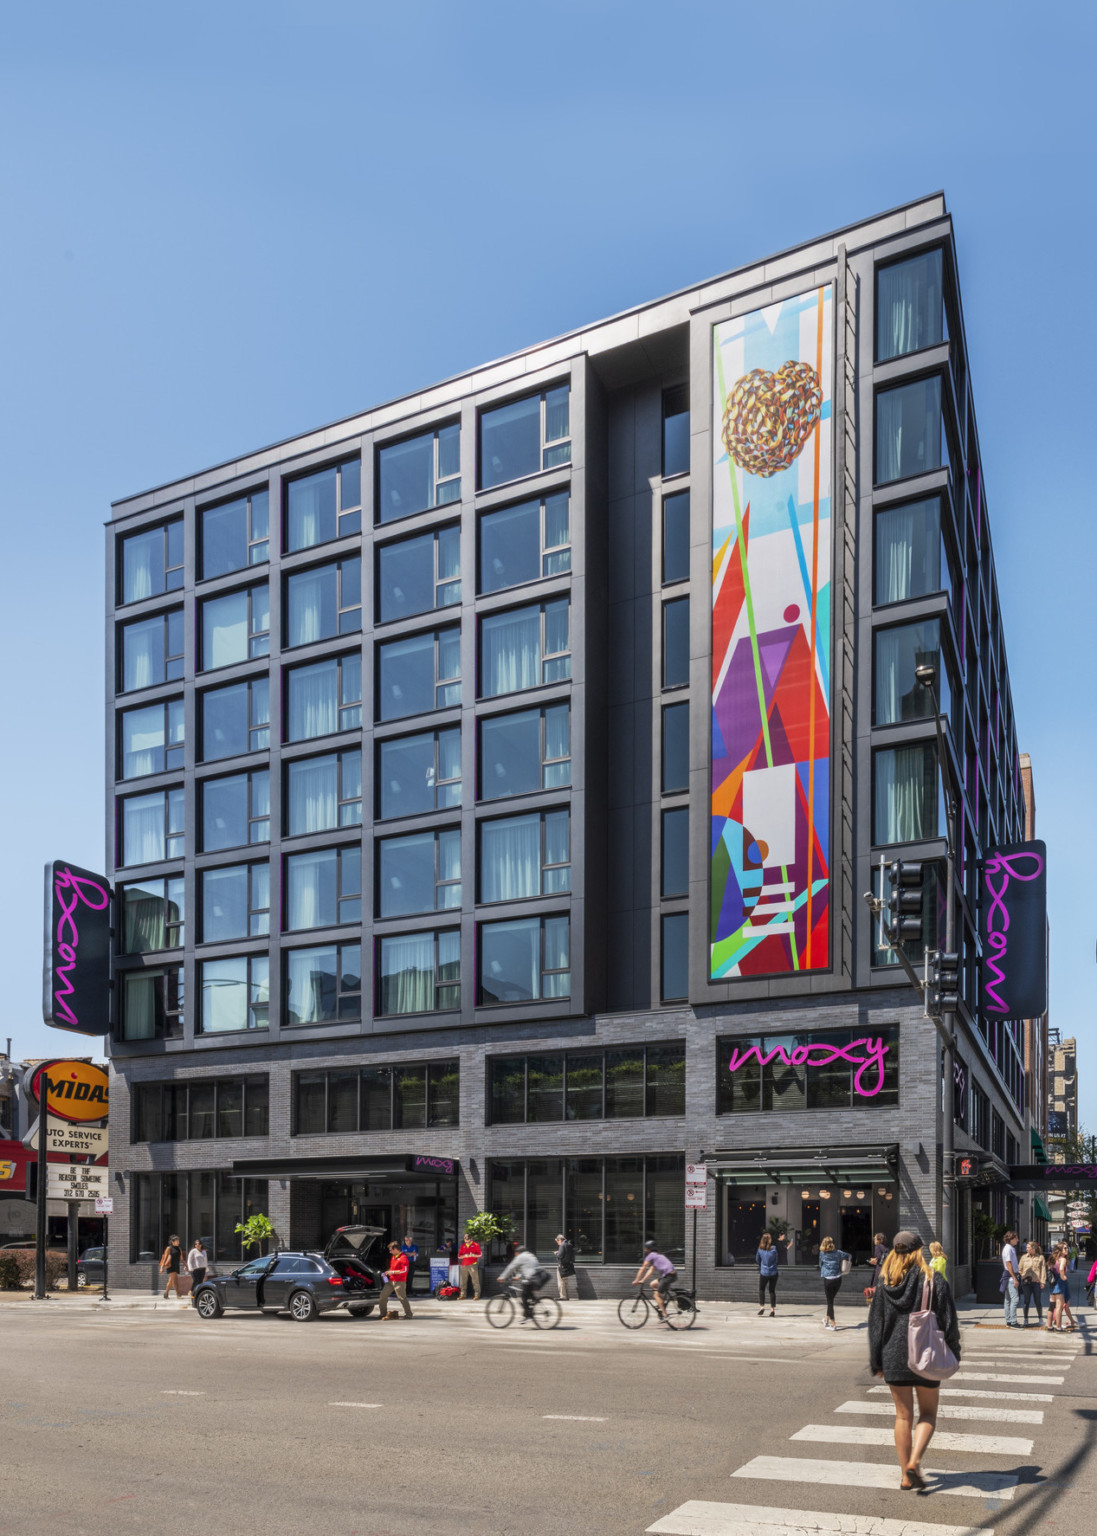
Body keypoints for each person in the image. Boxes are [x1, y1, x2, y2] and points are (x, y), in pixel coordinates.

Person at [868, 1230, 960, 1491]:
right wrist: (954, 1351)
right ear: (920, 1251)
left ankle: (906, 1476)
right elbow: (949, 1322)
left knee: (902, 1416)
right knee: (928, 1413)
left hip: (893, 1356)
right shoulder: (934, 1281)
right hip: (926, 1355)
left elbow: (876, 1326)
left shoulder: (886, 1284)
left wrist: (876, 1361)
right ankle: (915, 1460)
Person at [497, 1240, 548, 1323]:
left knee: (523, 1296)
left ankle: (528, 1316)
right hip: (538, 1277)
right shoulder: (529, 1255)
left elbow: (511, 1267)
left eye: (515, 1253)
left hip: (532, 1278)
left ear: (518, 1252)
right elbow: (526, 1267)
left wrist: (502, 1277)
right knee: (528, 1293)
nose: (515, 1254)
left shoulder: (521, 1257)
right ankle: (533, 1308)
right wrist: (518, 1276)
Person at [632, 1240, 676, 1327]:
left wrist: (636, 1280)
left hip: (668, 1277)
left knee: (656, 1295)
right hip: (670, 1276)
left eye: (646, 1248)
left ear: (649, 1249)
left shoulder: (651, 1256)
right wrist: (643, 1280)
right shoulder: (657, 1255)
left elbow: (643, 1268)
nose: (644, 1249)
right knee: (652, 1284)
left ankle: (665, 1315)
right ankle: (661, 1304)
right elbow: (650, 1270)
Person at [375, 1241, 413, 1320]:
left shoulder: (403, 1258)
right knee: (382, 1296)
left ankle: (409, 1315)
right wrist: (387, 1272)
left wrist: (392, 1272)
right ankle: (383, 1314)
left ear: (395, 1249)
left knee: (402, 1298)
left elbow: (404, 1270)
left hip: (399, 1281)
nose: (390, 1251)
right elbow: (392, 1268)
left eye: (391, 1250)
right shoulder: (393, 1257)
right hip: (391, 1281)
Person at [818, 1237, 850, 1330]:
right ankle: (826, 1319)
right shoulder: (838, 1252)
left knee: (830, 1302)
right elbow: (848, 1256)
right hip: (838, 1279)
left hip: (828, 1279)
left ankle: (833, 1324)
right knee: (830, 1301)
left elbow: (820, 1264)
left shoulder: (822, 1253)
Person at [1018, 1241, 1047, 1327]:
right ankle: (1026, 1318)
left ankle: (1040, 1318)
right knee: (1026, 1301)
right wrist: (1023, 1276)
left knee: (1037, 1301)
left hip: (1036, 1282)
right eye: (1026, 1247)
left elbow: (1043, 1270)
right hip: (1026, 1283)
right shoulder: (1023, 1257)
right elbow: (1020, 1269)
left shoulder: (1040, 1257)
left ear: (1033, 1248)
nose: (1026, 1249)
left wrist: (1042, 1282)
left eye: (1028, 1247)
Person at [1000, 1230, 1021, 1327]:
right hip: (1010, 1276)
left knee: (1008, 1299)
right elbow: (1008, 1264)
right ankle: (1013, 1321)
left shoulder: (1010, 1248)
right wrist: (1014, 1278)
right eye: (1016, 1238)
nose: (1018, 1240)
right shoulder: (1008, 1248)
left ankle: (1009, 1320)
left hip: (1010, 1275)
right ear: (1011, 1239)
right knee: (1015, 1299)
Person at [756, 1232, 779, 1316]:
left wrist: (762, 1265)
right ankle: (772, 1310)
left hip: (764, 1272)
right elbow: (777, 1260)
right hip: (773, 1272)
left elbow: (757, 1260)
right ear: (769, 1240)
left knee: (761, 1289)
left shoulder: (760, 1249)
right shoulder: (774, 1249)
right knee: (772, 1291)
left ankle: (762, 1307)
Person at [458, 1231, 482, 1299]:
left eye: (467, 1239)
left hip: (472, 1265)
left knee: (475, 1280)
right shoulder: (463, 1246)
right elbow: (459, 1256)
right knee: (463, 1281)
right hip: (464, 1265)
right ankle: (463, 1295)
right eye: (465, 1239)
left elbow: (480, 1255)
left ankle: (477, 1295)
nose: (466, 1240)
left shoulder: (475, 1245)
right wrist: (464, 1256)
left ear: (471, 1239)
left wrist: (473, 1255)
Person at [159, 1234, 184, 1299]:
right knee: (175, 1280)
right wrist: (162, 1267)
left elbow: (181, 1259)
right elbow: (165, 1258)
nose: (178, 1242)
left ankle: (166, 1293)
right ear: (173, 1242)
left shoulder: (179, 1249)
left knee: (170, 1281)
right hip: (170, 1266)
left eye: (178, 1240)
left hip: (176, 1266)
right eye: (177, 1241)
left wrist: (185, 1265)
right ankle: (178, 1294)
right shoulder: (169, 1248)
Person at [554, 1232, 576, 1301]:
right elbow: (572, 1256)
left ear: (560, 1239)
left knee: (561, 1282)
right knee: (565, 1281)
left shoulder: (562, 1245)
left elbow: (560, 1256)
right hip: (568, 1266)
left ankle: (563, 1297)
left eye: (557, 1241)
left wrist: (556, 1253)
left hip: (562, 1266)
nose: (557, 1242)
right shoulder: (569, 1245)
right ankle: (566, 1296)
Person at [186, 1237, 208, 1305]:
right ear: (195, 1245)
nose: (197, 1245)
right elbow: (189, 1260)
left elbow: (205, 1260)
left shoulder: (204, 1251)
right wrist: (190, 1268)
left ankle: (198, 1293)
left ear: (201, 1245)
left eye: (198, 1244)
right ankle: (190, 1291)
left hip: (202, 1269)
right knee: (195, 1280)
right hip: (195, 1269)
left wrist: (206, 1267)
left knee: (200, 1282)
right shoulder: (193, 1251)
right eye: (196, 1244)